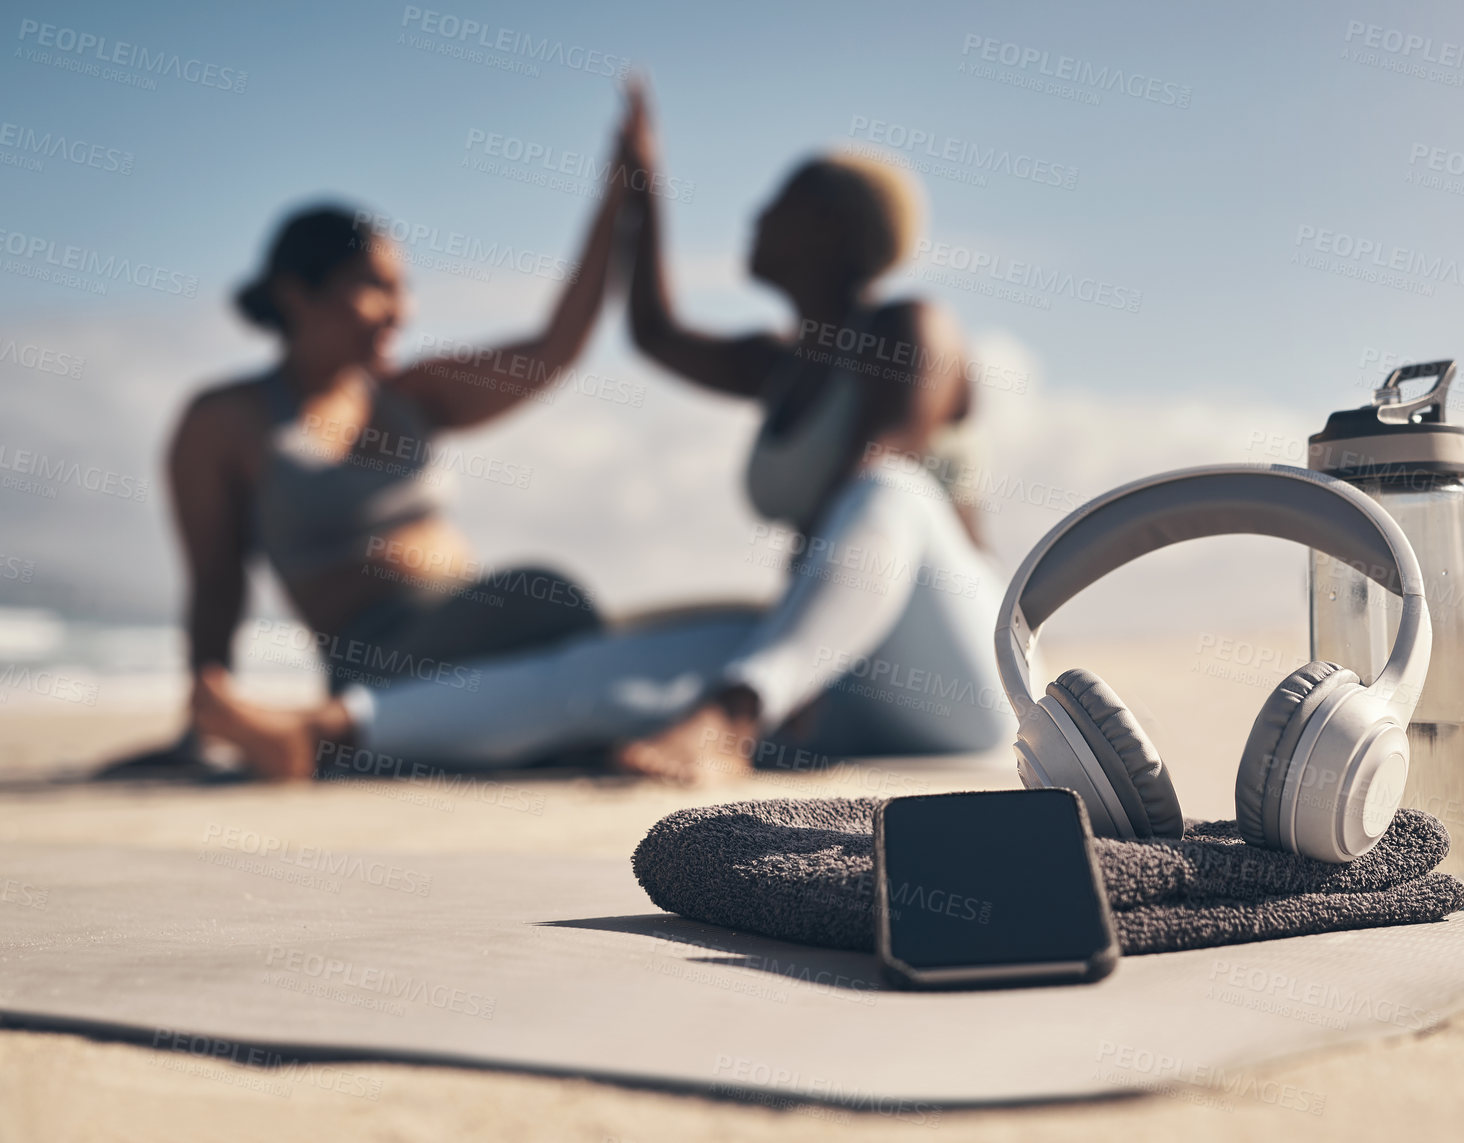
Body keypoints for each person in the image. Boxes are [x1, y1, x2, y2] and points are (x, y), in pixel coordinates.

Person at [192, 82, 1011, 783]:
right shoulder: (779, 365)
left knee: (889, 489)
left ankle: (732, 714)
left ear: (835, 229)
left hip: (960, 680)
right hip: (832, 683)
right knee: (589, 669)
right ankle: (322, 734)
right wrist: (637, 186)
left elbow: (884, 455)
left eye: (781, 204)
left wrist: (766, 671)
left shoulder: (914, 327)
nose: (753, 215)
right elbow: (652, 331)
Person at [162, 101, 637, 775]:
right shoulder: (224, 419)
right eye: (375, 286)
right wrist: (202, 715)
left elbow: (554, 347)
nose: (402, 311)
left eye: (404, 287)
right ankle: (317, 734)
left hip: (469, 632)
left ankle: (327, 742)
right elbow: (215, 582)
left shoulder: (412, 395)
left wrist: (617, 198)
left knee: (586, 636)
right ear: (298, 292)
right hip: (368, 653)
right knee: (546, 597)